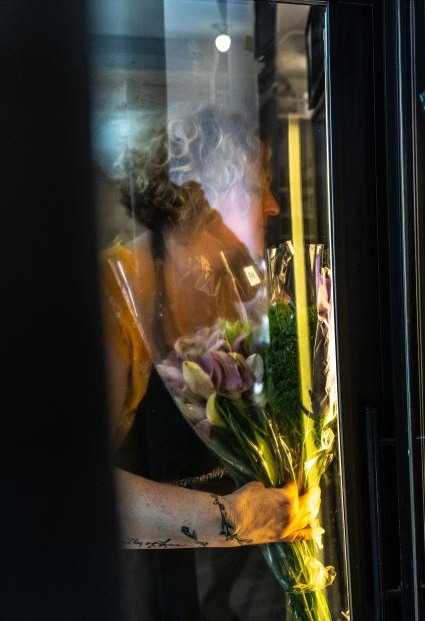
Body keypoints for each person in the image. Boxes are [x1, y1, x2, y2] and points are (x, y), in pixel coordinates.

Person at [100, 105, 307, 618]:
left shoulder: (240, 287)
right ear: (212, 199)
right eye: (260, 187)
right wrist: (229, 518)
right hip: (145, 593)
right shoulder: (111, 300)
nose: (274, 206)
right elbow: (72, 484)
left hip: (239, 589)